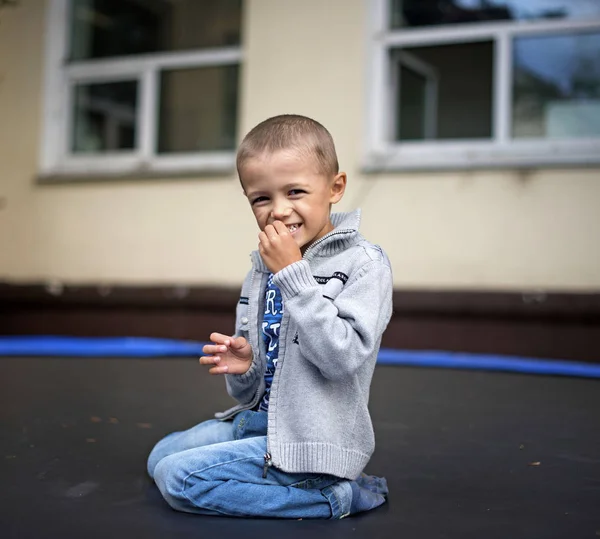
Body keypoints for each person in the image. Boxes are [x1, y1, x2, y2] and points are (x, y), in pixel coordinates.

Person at [147, 114, 393, 519]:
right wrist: (245, 368)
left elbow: (342, 359)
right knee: (160, 456)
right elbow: (247, 395)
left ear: (336, 187)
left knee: (176, 479)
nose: (278, 211)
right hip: (262, 425)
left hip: (313, 442)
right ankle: (275, 479)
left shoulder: (364, 265)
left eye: (295, 191)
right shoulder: (262, 269)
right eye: (261, 198)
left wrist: (293, 275)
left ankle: (333, 496)